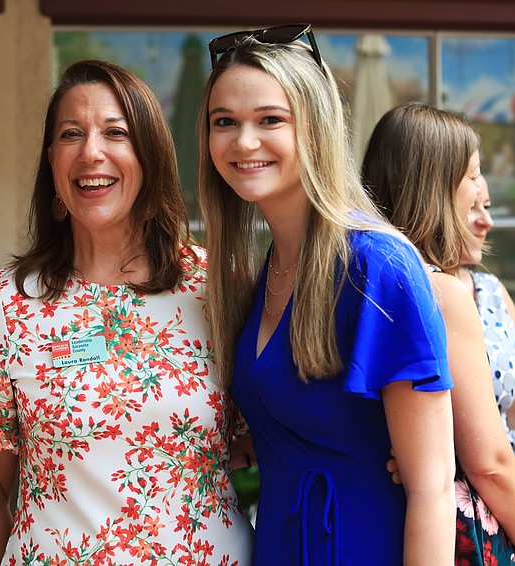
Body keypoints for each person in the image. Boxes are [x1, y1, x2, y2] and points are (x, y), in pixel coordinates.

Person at [0, 59, 254, 566]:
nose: (91, 152)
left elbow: (275, 435)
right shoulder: (2, 306)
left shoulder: (218, 289)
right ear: (51, 161)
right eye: (71, 134)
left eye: (115, 132)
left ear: (150, 156)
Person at [198, 25, 456, 564]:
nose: (244, 142)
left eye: (271, 119)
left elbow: (432, 488)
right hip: (278, 540)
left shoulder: (377, 265)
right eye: (225, 123)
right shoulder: (264, 270)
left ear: (315, 128)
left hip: (363, 543)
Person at [362, 102, 515, 563]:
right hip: (469, 529)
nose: (482, 192)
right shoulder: (424, 292)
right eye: (472, 173)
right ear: (432, 186)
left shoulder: (487, 290)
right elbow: (487, 463)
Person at [457, 173, 515, 452]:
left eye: (488, 207)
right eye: (471, 208)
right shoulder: (418, 294)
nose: (487, 222)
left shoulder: (492, 290)